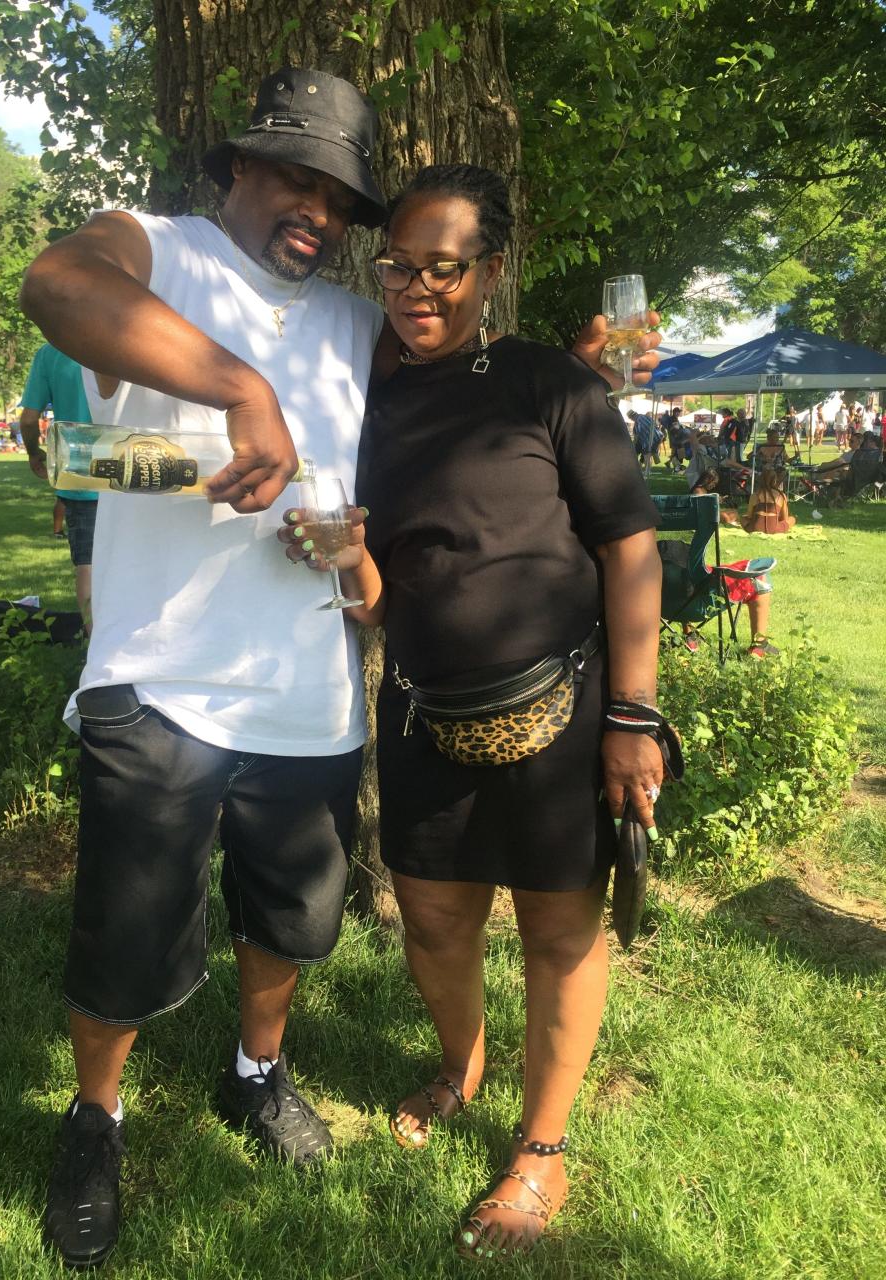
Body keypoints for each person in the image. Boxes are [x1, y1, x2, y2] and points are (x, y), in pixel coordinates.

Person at [283, 164, 666, 1258]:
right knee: (437, 917)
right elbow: (376, 592)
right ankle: (464, 1061)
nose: (417, 287)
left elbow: (630, 546)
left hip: (564, 708)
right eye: (399, 264)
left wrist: (634, 716)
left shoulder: (552, 384)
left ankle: (540, 1147)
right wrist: (351, 561)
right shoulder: (362, 397)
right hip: (419, 708)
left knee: (556, 926)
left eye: (445, 268)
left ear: (489, 272)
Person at [20, 344, 99, 627]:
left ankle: (95, 648)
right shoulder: (125, 334)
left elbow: (29, 419)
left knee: (87, 565)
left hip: (79, 472)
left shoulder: (51, 352)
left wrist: (33, 452)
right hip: (130, 465)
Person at [681, 472, 780, 657]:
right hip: (701, 592)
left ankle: (689, 633)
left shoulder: (645, 571)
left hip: (664, 598)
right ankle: (759, 644)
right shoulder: (703, 500)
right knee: (760, 576)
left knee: (680, 572)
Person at [740, 467, 796, 534]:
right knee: (792, 519)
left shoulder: (755, 495)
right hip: (774, 529)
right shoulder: (780, 495)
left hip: (755, 528)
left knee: (743, 518)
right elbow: (784, 518)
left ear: (761, 480)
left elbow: (749, 516)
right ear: (774, 480)